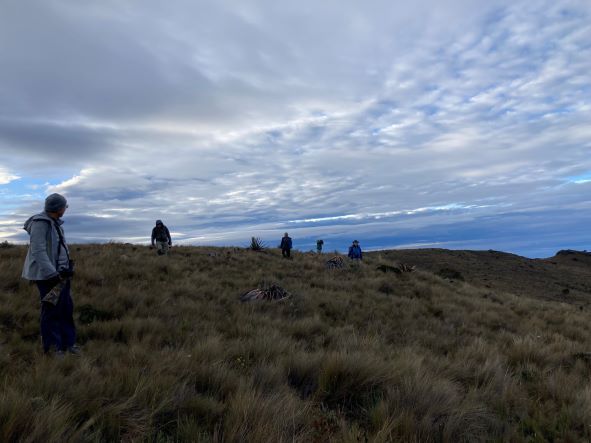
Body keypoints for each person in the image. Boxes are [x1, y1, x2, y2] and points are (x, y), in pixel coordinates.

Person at [22, 193, 79, 357]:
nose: (65, 209)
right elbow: (38, 251)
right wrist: (51, 274)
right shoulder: (41, 224)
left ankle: (68, 344)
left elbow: (57, 248)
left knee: (66, 309)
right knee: (52, 311)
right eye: (65, 206)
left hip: (61, 275)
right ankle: (53, 349)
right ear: (58, 208)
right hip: (49, 278)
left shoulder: (55, 223)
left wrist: (66, 268)